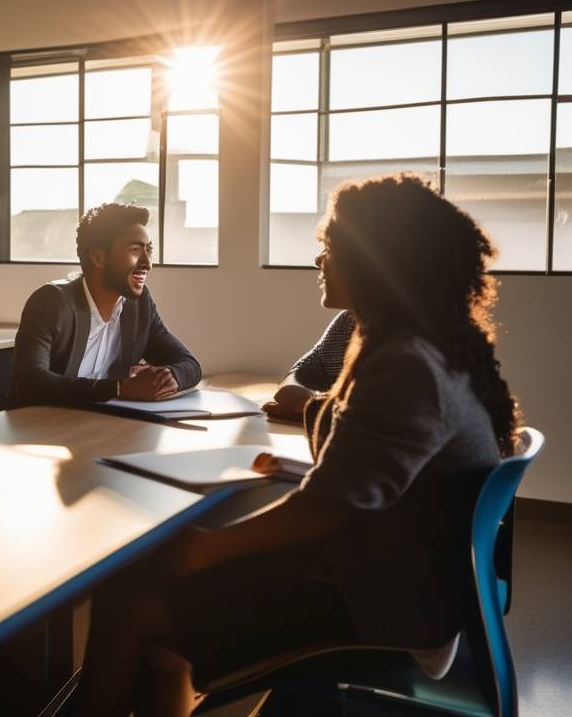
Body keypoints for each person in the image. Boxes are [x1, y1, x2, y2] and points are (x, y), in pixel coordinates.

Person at [74, 174, 521, 716]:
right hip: (401, 581)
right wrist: (310, 438)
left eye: (330, 248)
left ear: (377, 261)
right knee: (151, 593)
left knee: (132, 595)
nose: (319, 261)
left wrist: (201, 547)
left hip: (381, 605)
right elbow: (370, 469)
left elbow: (326, 508)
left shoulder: (406, 362)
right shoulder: (423, 346)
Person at [10, 202, 201, 406]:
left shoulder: (139, 305)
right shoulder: (51, 302)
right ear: (98, 257)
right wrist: (119, 389)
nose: (147, 262)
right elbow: (31, 382)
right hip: (40, 426)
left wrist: (169, 376)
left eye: (149, 250)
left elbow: (189, 364)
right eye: (135, 249)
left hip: (106, 425)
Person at [262, 310, 356, 421]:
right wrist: (296, 393)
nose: (321, 290)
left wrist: (314, 408)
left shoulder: (378, 329)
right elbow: (314, 362)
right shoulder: (347, 319)